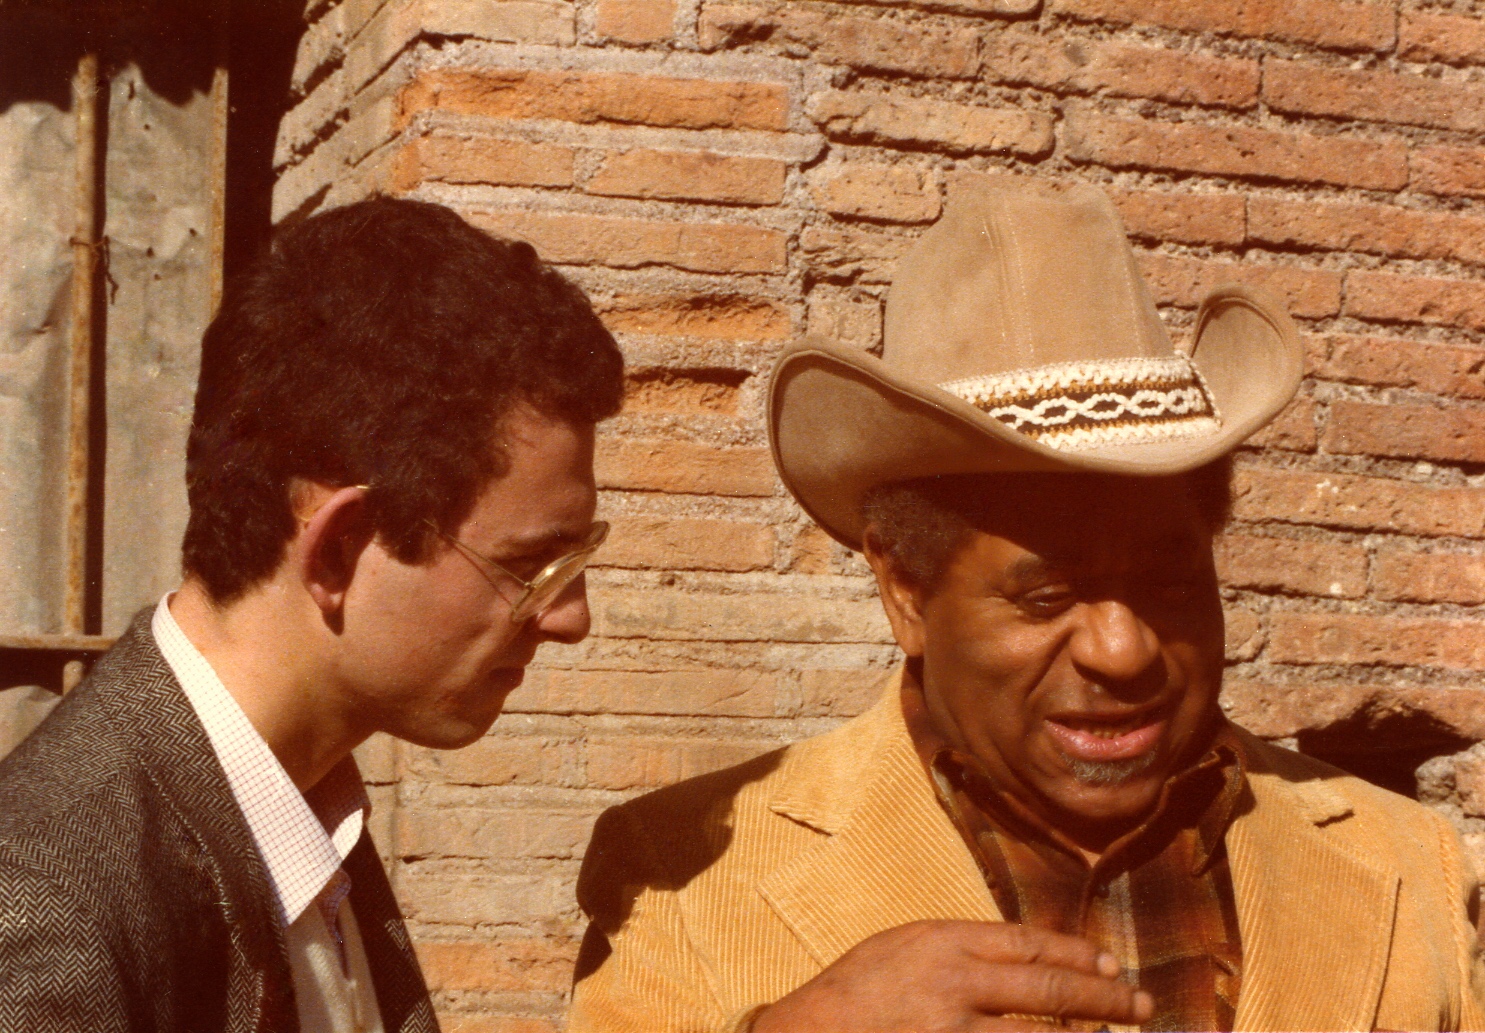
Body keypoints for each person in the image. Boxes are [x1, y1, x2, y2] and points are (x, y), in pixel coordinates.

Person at [568, 179, 1485, 1032]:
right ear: (904, 591)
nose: (1122, 652)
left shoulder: (1410, 864)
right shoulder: (682, 874)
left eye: (1168, 581)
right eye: (1045, 593)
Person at [0, 196, 623, 1033]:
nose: (569, 618)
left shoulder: (302, 803)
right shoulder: (44, 907)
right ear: (335, 552)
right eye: (529, 566)